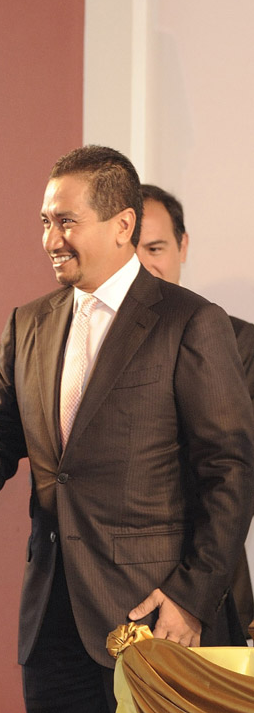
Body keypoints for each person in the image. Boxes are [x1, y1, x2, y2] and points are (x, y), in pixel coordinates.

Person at [0, 145, 254, 713]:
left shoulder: (190, 322)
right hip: (53, 620)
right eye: (44, 222)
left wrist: (193, 598)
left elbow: (229, 473)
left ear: (122, 226)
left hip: (157, 618)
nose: (50, 239)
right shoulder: (28, 323)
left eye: (65, 221)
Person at [136, 183, 254, 633]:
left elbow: (237, 478)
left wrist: (194, 592)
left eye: (157, 247)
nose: (145, 263)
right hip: (111, 593)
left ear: (183, 246)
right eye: (133, 248)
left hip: (213, 593)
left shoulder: (243, 345)